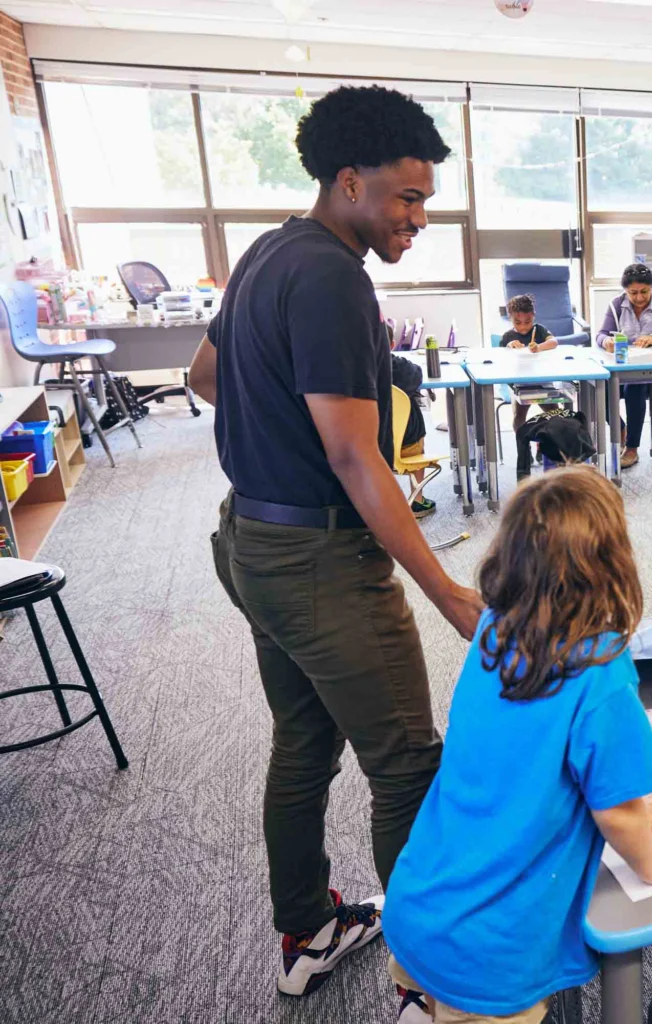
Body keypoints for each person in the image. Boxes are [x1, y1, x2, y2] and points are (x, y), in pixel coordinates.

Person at [188, 85, 482, 998]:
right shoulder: (331, 279)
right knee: (406, 765)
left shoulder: (271, 248)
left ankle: (308, 931)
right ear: (349, 181)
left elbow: (204, 375)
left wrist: (280, 426)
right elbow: (361, 466)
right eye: (406, 198)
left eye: (426, 200)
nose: (418, 219)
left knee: (304, 740)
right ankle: (425, 981)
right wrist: (447, 591)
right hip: (317, 563)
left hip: (250, 541)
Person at [383, 468, 652, 1024]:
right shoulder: (599, 672)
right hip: (492, 951)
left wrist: (624, 802)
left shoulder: (493, 629)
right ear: (612, 566)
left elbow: (530, 761)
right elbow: (616, 815)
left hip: (421, 900)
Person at [596, 263, 652, 470]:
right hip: (621, 370)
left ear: (651, 287)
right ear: (625, 291)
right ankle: (621, 429)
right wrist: (606, 341)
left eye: (644, 291)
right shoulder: (616, 305)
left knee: (634, 388)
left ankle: (632, 448)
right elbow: (600, 335)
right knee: (599, 389)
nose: (639, 297)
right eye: (633, 292)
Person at [501, 292, 565, 476]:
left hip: (542, 381)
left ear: (533, 316)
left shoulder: (540, 330)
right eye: (517, 322)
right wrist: (508, 347)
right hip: (520, 384)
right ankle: (524, 448)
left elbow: (554, 342)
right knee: (519, 417)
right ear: (511, 319)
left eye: (527, 322)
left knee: (555, 414)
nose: (522, 327)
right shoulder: (507, 337)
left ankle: (546, 444)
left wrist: (539, 347)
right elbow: (499, 358)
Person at [389, 353, 435, 518]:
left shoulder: (347, 365)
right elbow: (416, 373)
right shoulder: (397, 366)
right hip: (406, 445)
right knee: (414, 433)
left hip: (367, 446)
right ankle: (417, 500)